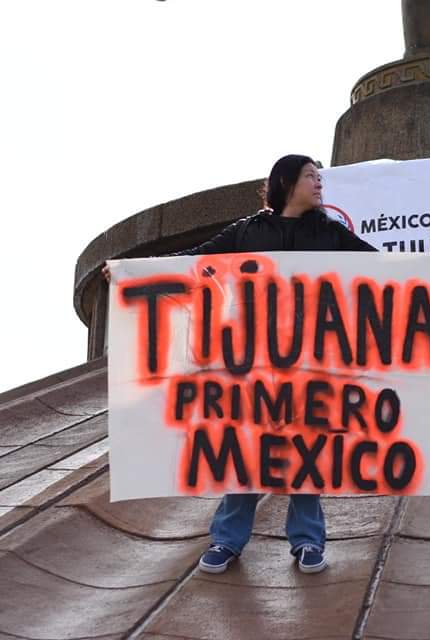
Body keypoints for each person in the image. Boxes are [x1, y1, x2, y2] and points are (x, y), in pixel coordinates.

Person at [105, 154, 376, 573]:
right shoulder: (247, 231)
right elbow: (195, 261)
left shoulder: (329, 233)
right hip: (252, 361)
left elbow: (382, 266)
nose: (319, 183)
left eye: (319, 177)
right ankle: (227, 541)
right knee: (248, 449)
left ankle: (307, 540)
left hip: (308, 361)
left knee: (305, 448)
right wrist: (133, 272)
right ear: (286, 182)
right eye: (311, 176)